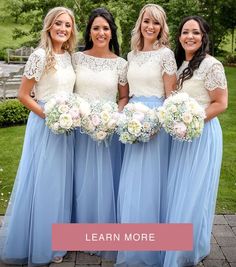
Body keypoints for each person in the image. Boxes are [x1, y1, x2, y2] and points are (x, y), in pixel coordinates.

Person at [0, 7, 77, 265]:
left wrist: (69, 115)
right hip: (45, 125)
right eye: (58, 23)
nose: (63, 29)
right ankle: (41, 244)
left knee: (61, 184)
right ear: (49, 26)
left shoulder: (68, 56)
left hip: (66, 129)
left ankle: (58, 239)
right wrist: (50, 116)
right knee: (45, 182)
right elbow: (23, 95)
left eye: (67, 25)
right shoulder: (39, 55)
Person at [163, 16, 228, 267]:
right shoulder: (180, 65)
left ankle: (186, 251)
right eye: (185, 32)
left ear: (203, 37)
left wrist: (193, 121)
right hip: (181, 136)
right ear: (179, 36)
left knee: (193, 192)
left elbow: (221, 103)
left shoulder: (212, 65)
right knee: (178, 190)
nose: (190, 36)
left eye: (196, 33)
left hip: (201, 134)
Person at [116, 4, 177, 267]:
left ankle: (155, 244)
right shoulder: (131, 55)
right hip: (133, 120)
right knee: (132, 181)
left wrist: (154, 123)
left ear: (162, 27)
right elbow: (125, 95)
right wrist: (124, 118)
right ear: (139, 24)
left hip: (156, 123)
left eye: (156, 23)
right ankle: (132, 241)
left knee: (153, 182)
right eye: (146, 22)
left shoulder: (166, 55)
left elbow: (170, 96)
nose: (150, 27)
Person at [72, 7, 129, 259]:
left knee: (106, 180)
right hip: (79, 128)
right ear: (89, 31)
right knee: (79, 178)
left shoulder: (121, 63)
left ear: (111, 31)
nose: (101, 32)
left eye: (105, 28)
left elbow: (124, 96)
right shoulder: (76, 58)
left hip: (108, 129)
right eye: (96, 27)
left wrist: (113, 117)